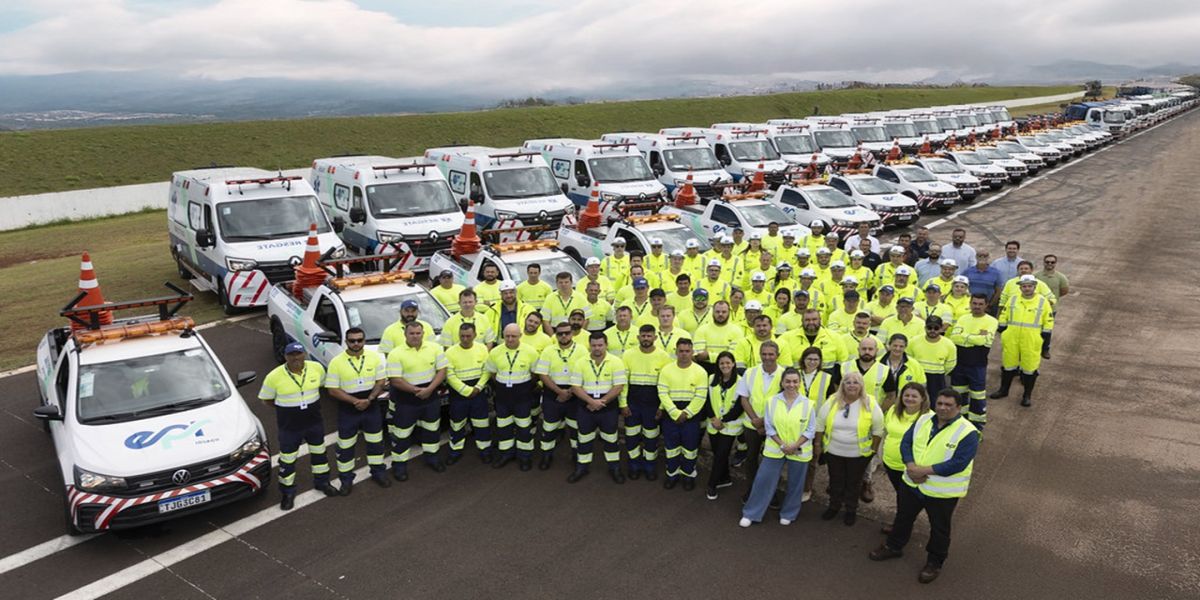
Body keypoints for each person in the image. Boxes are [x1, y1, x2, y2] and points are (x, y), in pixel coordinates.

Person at [870, 389, 980, 584]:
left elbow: (957, 464)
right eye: (940, 403)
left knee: (939, 529)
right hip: (912, 484)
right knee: (903, 517)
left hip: (941, 493)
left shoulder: (968, 432)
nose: (943, 408)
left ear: (958, 408)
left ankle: (934, 562)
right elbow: (907, 443)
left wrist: (923, 471)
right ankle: (894, 547)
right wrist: (911, 466)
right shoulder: (923, 420)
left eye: (948, 405)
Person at [261, 343, 338, 509]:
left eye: (299, 354)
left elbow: (323, 386)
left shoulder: (317, 368)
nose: (296, 358)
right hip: (290, 427)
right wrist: (287, 407)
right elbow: (267, 400)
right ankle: (287, 492)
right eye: (291, 355)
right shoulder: (273, 376)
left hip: (314, 423)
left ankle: (322, 482)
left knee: (320, 455)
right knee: (287, 460)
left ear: (304, 354)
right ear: (285, 357)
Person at [739, 367, 818, 528]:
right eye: (788, 381)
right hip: (775, 448)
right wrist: (782, 445)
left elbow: (810, 430)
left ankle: (789, 513)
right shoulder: (772, 401)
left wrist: (794, 446)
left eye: (795, 381)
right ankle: (751, 513)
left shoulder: (808, 404)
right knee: (763, 480)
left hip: (800, 450)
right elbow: (769, 427)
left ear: (799, 383)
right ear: (782, 383)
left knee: (796, 484)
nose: (791, 384)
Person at [814, 370, 884, 526]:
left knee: (854, 483)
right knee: (835, 481)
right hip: (833, 451)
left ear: (861, 385)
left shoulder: (870, 402)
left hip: (858, 454)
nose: (852, 385)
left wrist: (873, 450)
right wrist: (818, 444)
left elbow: (878, 429)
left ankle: (851, 509)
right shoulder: (833, 400)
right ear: (842, 385)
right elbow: (819, 423)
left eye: (856, 382)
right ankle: (834, 506)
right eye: (848, 382)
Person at [324, 328, 389, 494]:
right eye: (352, 341)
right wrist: (355, 401)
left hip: (371, 405)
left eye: (359, 340)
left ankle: (378, 472)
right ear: (346, 342)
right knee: (346, 446)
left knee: (376, 443)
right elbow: (332, 389)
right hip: (348, 408)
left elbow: (381, 381)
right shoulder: (336, 362)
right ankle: (346, 480)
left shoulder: (374, 358)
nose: (356, 344)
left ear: (364, 341)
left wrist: (369, 399)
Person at [386, 321, 448, 481]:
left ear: (423, 333)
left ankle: (432, 458)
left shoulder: (435, 348)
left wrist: (429, 389)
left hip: (430, 397)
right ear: (405, 335)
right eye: (411, 333)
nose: (415, 336)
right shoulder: (395, 353)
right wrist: (416, 391)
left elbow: (442, 371)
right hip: (406, 400)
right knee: (402, 435)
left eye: (418, 333)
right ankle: (399, 466)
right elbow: (395, 380)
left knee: (432, 430)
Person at [567, 332, 627, 483]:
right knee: (584, 438)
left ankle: (614, 468)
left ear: (606, 345)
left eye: (600, 345)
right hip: (585, 404)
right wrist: (591, 401)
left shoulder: (616, 362)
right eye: (594, 345)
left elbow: (618, 386)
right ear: (590, 345)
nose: (597, 348)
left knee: (611, 439)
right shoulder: (580, 362)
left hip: (607, 405)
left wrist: (601, 401)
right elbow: (575, 386)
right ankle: (582, 467)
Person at [991, 275, 1053, 407]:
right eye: (1024, 286)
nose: (1027, 288)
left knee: (1030, 368)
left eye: (1029, 286)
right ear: (1020, 287)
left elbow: (1048, 321)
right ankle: (1003, 390)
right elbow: (1004, 314)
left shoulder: (1042, 301)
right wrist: (1003, 328)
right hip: (1012, 338)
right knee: (1008, 365)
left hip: (1031, 339)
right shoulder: (1013, 299)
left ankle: (1027, 396)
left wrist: (1045, 337)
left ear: (1035, 287)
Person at [879, 383, 932, 534]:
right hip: (890, 463)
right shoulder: (893, 411)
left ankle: (901, 528)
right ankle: (902, 524)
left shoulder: (928, 418)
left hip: (910, 468)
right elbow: (886, 431)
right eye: (906, 395)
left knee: (906, 500)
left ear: (923, 398)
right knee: (900, 496)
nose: (909, 399)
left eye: (914, 396)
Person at [657, 338, 709, 490]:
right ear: (676, 352)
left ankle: (688, 474)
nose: (684, 354)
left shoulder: (700, 371)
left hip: (691, 415)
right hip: (671, 413)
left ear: (692, 352)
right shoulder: (666, 370)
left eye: (687, 351)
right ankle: (672, 474)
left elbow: (701, 396)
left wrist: (686, 413)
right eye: (681, 351)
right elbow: (662, 392)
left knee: (690, 448)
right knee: (671, 447)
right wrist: (674, 413)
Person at [622, 324, 672, 480]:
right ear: (638, 337)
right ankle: (634, 465)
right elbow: (623, 382)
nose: (646, 338)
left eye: (649, 336)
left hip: (652, 404)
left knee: (651, 437)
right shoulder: (628, 354)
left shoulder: (664, 356)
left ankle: (650, 466)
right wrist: (623, 404)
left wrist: (662, 407)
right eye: (643, 335)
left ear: (655, 338)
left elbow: (666, 384)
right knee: (631, 436)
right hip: (632, 403)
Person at [737, 341, 785, 502]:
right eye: (764, 354)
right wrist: (756, 421)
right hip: (752, 425)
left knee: (773, 461)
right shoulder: (750, 373)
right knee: (751, 459)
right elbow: (744, 399)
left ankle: (772, 493)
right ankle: (752, 489)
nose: (767, 357)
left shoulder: (785, 375)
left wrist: (765, 422)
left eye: (771, 354)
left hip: (775, 427)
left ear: (777, 355)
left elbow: (787, 402)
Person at [534, 321, 586, 470]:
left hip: (575, 395)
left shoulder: (582, 350)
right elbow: (542, 374)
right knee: (549, 427)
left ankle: (576, 455)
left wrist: (569, 392)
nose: (563, 336)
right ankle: (546, 455)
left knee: (575, 429)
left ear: (572, 333)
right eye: (560, 333)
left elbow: (584, 374)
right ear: (556, 335)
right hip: (553, 394)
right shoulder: (548, 351)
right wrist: (559, 392)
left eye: (567, 333)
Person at [444, 323, 493, 465]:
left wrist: (478, 387)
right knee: (457, 424)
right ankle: (455, 451)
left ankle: (485, 450)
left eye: (468, 336)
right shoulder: (450, 352)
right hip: (459, 394)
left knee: (482, 423)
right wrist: (466, 390)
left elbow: (487, 370)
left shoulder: (482, 349)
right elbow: (450, 375)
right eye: (462, 336)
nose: (465, 339)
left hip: (478, 391)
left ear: (475, 335)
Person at [950, 294, 999, 429]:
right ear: (970, 304)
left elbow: (985, 341)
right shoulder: (963, 318)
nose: (977, 306)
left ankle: (976, 425)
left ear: (986, 305)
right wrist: (975, 337)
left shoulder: (991, 321)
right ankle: (959, 420)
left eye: (980, 304)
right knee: (959, 394)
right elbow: (954, 338)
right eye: (974, 303)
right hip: (959, 364)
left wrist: (964, 336)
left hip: (977, 365)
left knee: (977, 396)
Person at [705, 351, 742, 500]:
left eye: (728, 363)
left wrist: (723, 420)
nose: (725, 365)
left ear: (733, 364)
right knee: (718, 454)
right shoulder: (711, 378)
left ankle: (711, 485)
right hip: (713, 424)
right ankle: (725, 478)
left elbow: (739, 407)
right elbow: (706, 400)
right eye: (722, 363)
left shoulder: (741, 381)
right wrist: (714, 418)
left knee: (721, 455)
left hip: (730, 425)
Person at [908, 316, 957, 396]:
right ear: (925, 328)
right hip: (916, 376)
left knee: (935, 402)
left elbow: (950, 365)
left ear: (941, 329)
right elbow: (908, 360)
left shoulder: (949, 345)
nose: (932, 330)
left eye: (936, 328)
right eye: (929, 327)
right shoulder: (913, 341)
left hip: (937, 379)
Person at [693, 300, 745, 373]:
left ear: (729, 312)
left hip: (728, 369)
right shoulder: (702, 329)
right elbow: (699, 354)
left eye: (724, 312)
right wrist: (722, 355)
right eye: (717, 312)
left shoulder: (737, 331)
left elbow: (732, 356)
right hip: (705, 368)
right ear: (712, 312)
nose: (720, 314)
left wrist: (709, 356)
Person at [1034, 254, 1069, 359]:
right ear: (1043, 262)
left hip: (1051, 309)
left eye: (1052, 262)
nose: (1050, 264)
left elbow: (1064, 291)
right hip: (1036, 309)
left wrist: (1053, 300)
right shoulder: (1036, 276)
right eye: (1047, 262)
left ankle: (1045, 349)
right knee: (1035, 329)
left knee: (1047, 330)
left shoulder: (1061, 277)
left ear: (1055, 263)